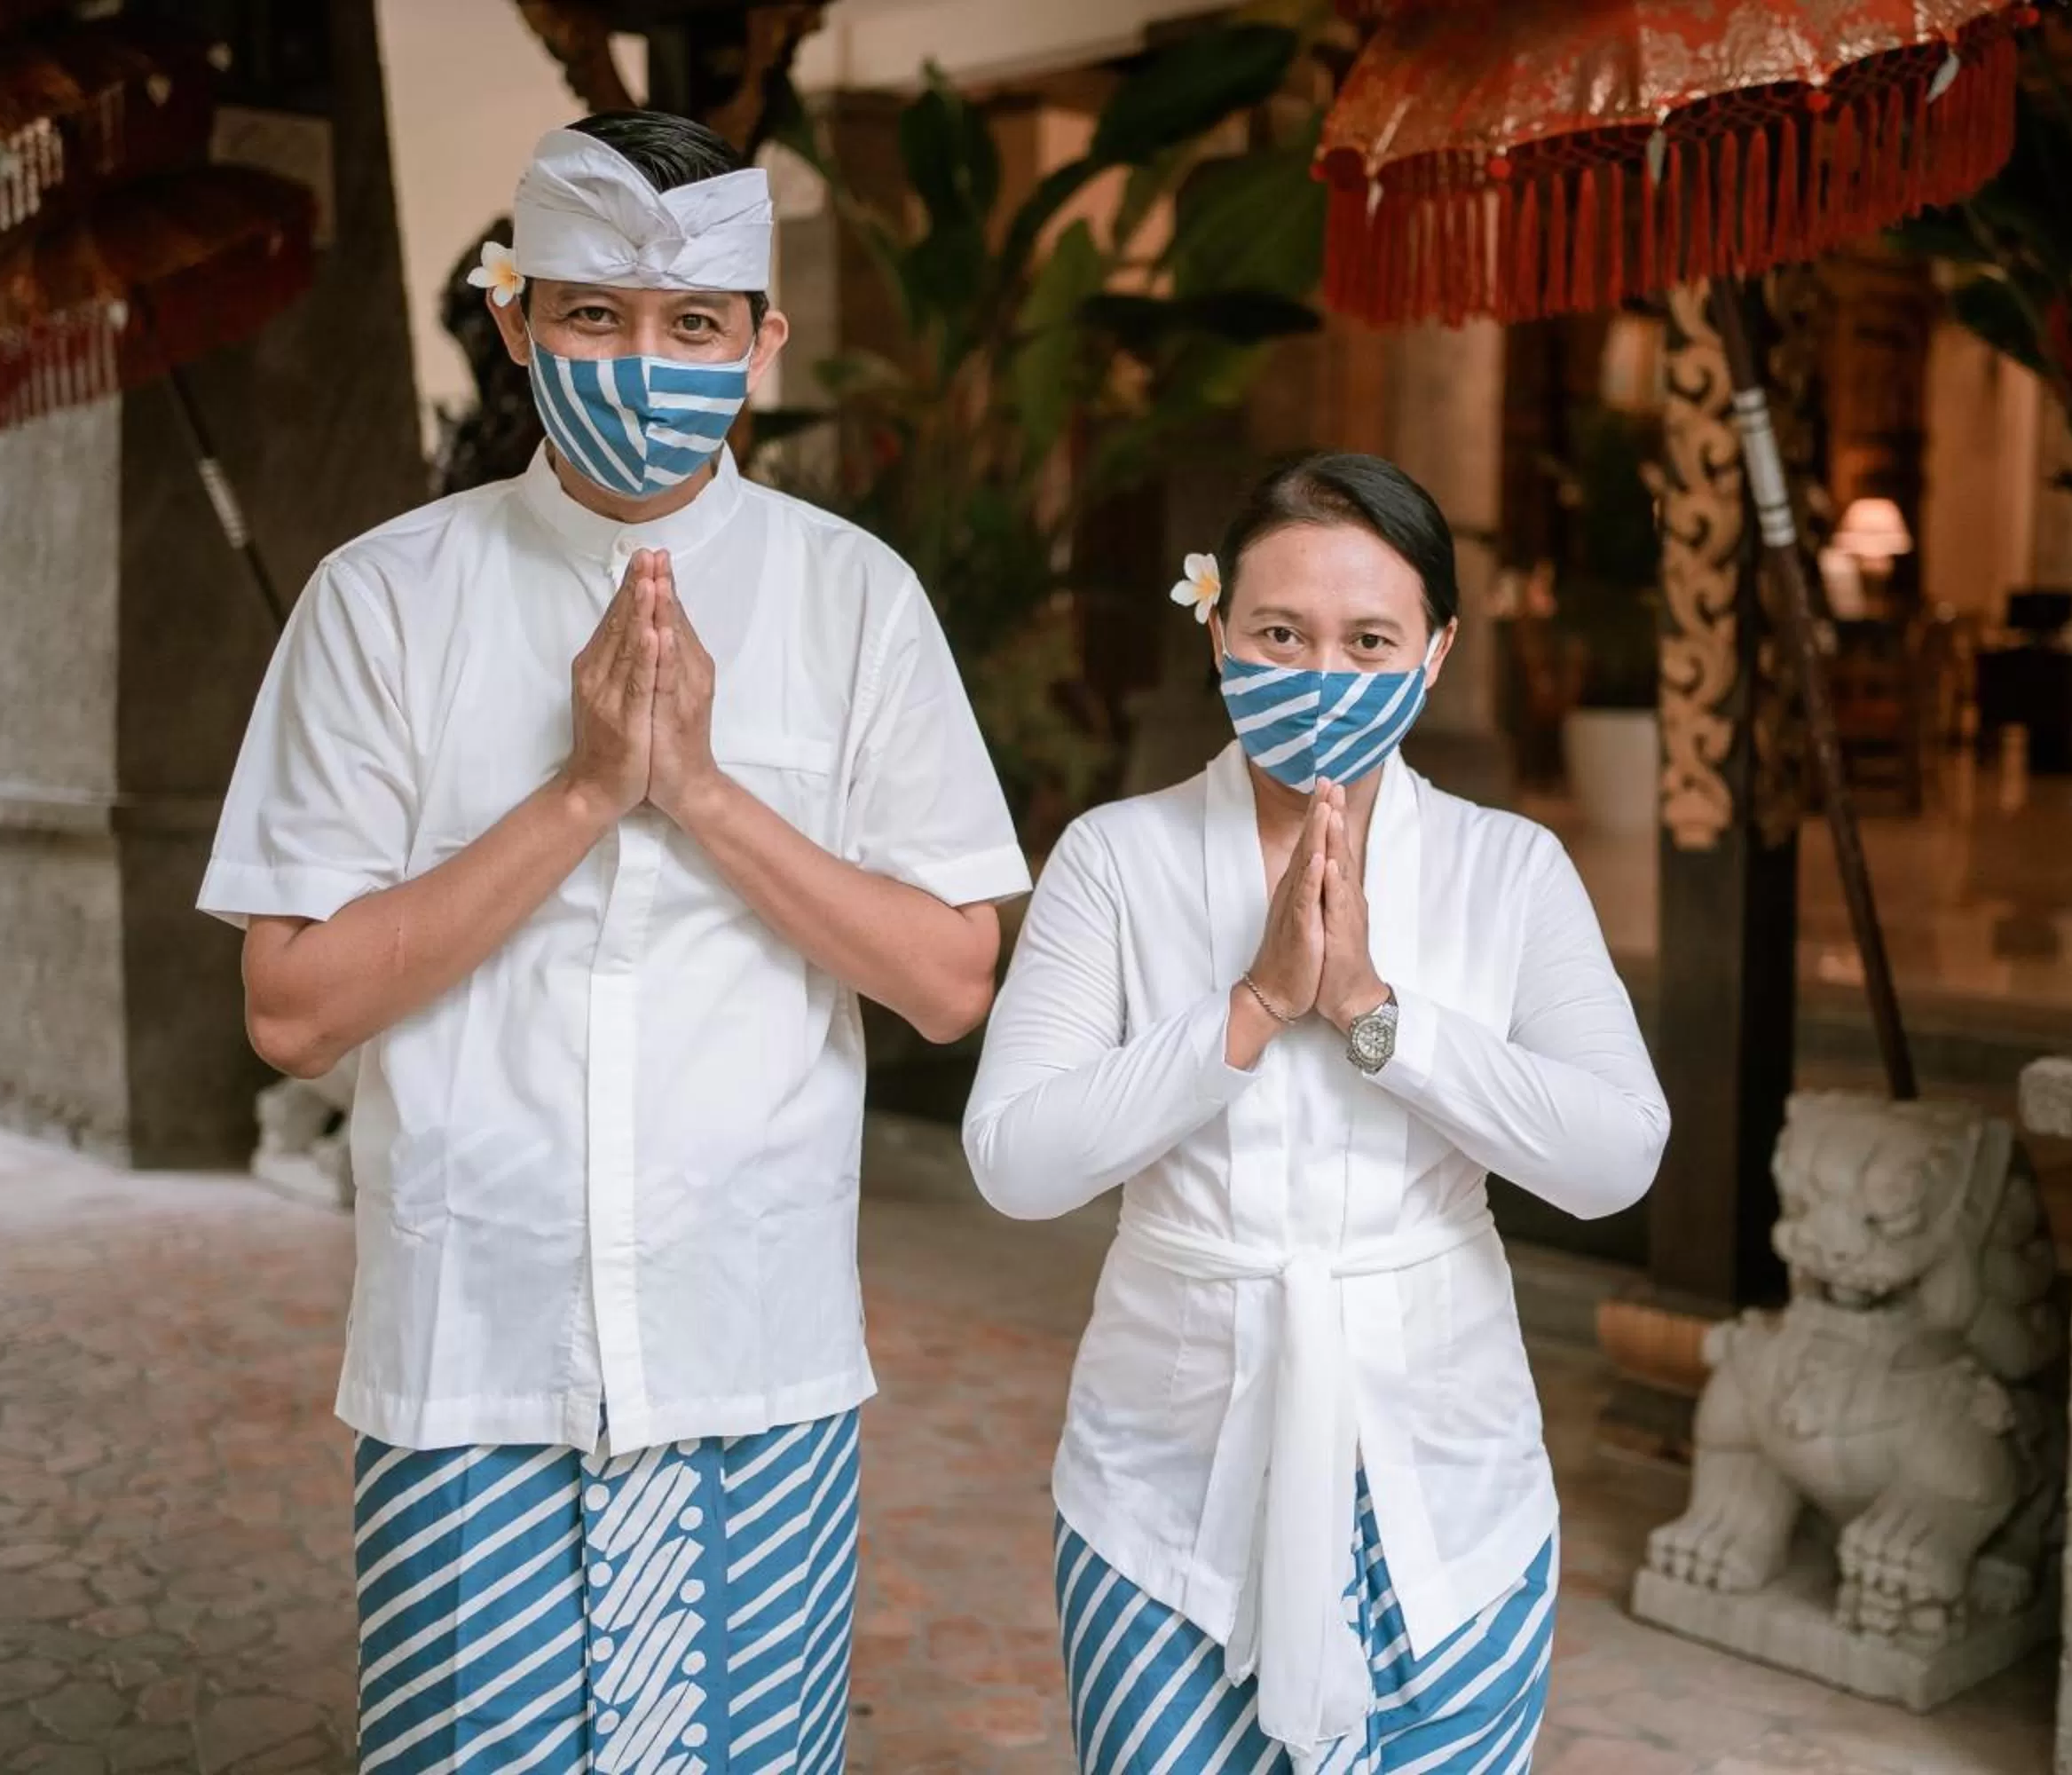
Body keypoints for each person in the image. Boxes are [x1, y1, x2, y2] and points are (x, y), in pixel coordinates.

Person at [200, 112, 1029, 1772]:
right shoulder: (384, 602)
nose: (642, 361)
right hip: (472, 1360)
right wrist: (581, 798)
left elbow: (948, 977)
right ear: (515, 322)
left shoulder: (852, 600)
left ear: (760, 343)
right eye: (592, 316)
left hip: (753, 1354)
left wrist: (704, 795)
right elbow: (290, 1009)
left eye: (693, 326)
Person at [965, 452, 1671, 1771]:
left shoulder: (1509, 870)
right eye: (1280, 633)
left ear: (1438, 650)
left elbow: (1616, 1154)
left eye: (1370, 640)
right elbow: (1015, 1159)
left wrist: (1372, 1012)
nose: (1322, 673)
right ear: (1217, 625)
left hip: (1447, 1492)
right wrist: (1247, 1008)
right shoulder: (1118, 859)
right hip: (1161, 1490)